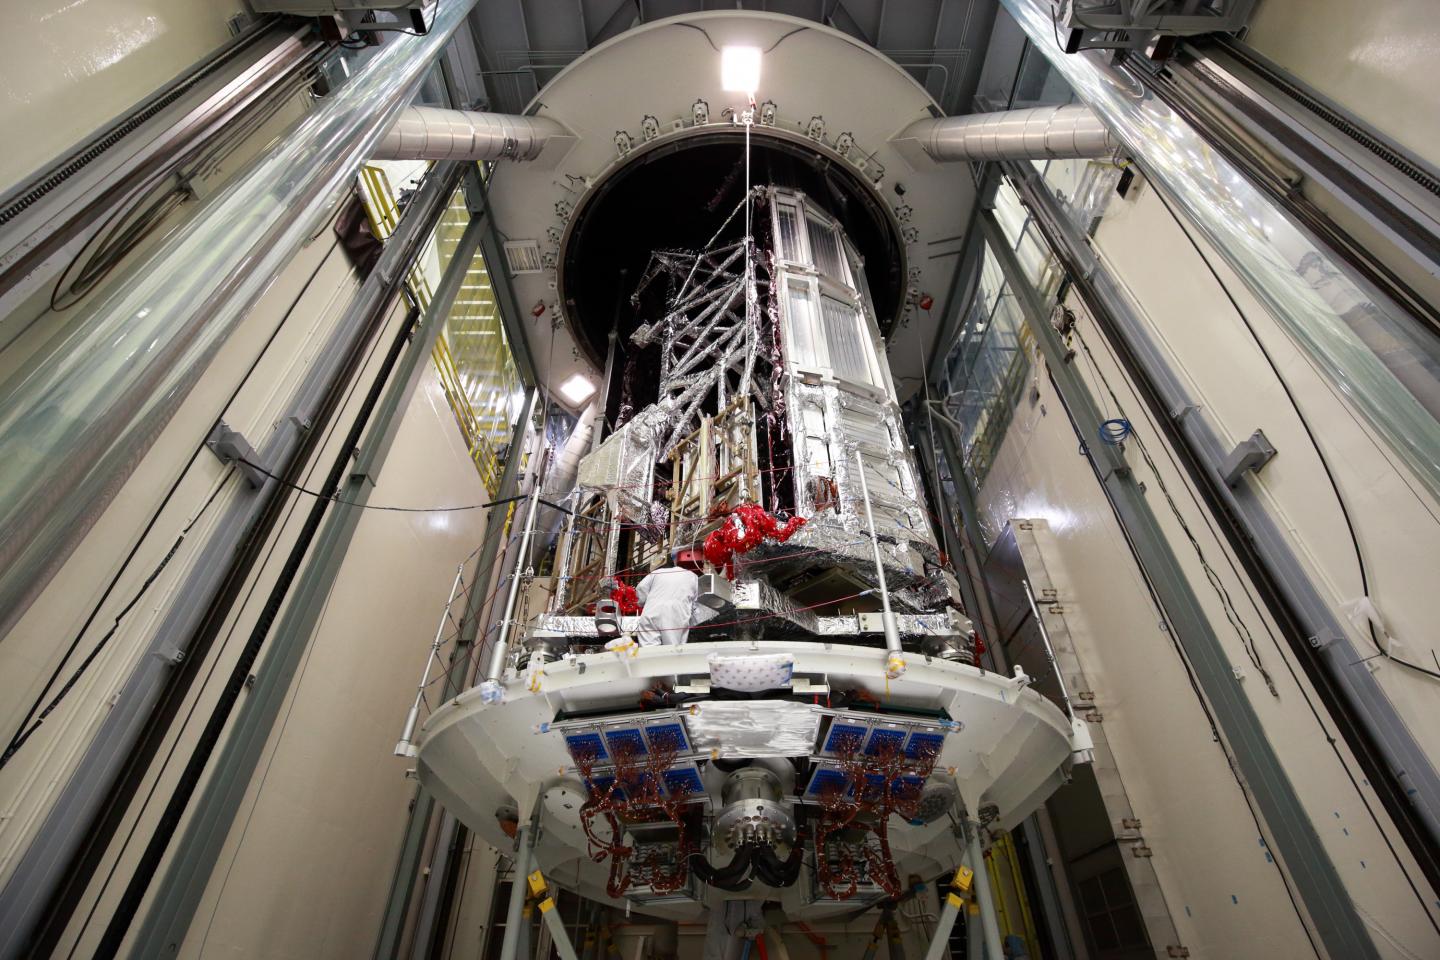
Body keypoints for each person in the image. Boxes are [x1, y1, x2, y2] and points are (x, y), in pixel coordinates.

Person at [634, 547, 700, 646]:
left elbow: (641, 589)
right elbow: (696, 605)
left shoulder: (657, 573)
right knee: (671, 654)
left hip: (651, 614)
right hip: (675, 617)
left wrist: (643, 603)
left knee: (648, 655)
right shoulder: (693, 577)